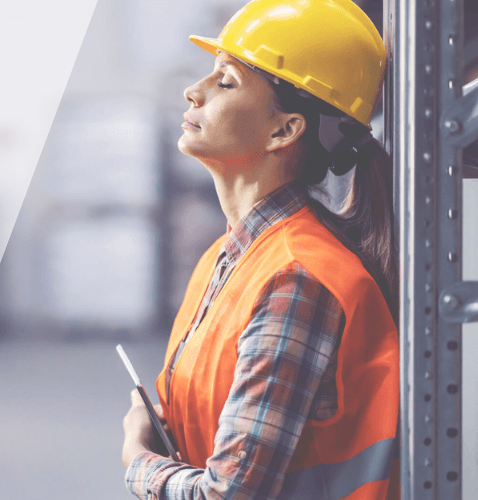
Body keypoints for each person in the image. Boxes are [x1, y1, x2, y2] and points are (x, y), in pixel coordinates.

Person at [120, 0, 399, 499]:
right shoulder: (226, 258)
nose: (194, 91)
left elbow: (227, 495)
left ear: (285, 129)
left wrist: (137, 458)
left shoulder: (297, 278)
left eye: (225, 81)